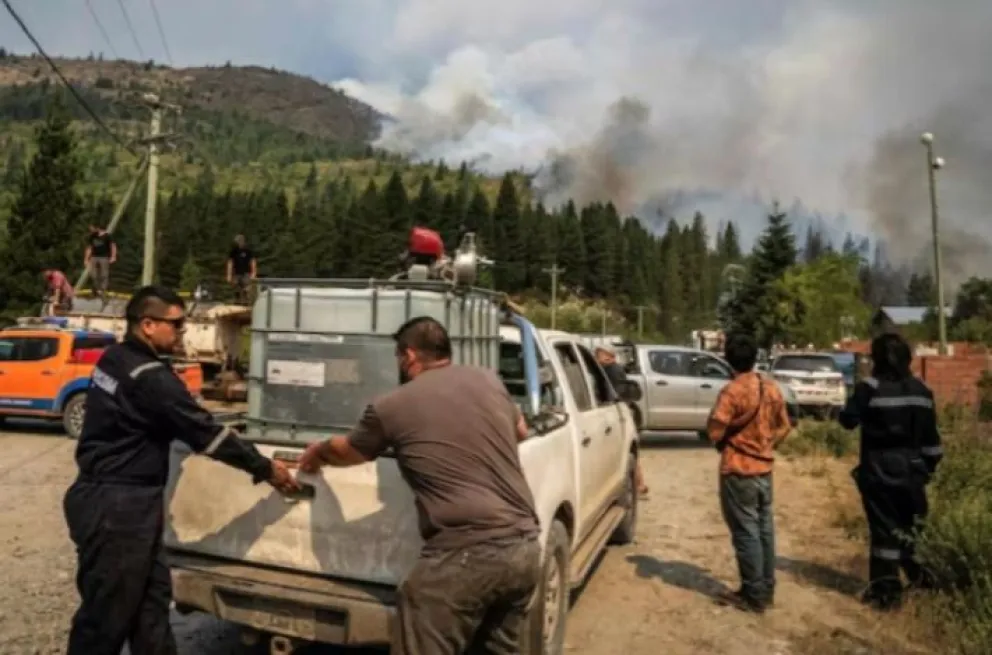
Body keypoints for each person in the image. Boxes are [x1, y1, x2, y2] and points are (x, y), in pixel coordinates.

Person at [62, 285, 300, 655]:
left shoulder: (114, 359)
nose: (182, 331)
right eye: (175, 324)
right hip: (118, 507)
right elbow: (206, 433)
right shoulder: (151, 377)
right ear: (148, 325)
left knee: (150, 607)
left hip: (119, 500)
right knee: (105, 616)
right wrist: (266, 467)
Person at [297, 316, 541, 655]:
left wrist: (317, 452)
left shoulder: (392, 406)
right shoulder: (488, 380)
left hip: (465, 556)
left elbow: (350, 452)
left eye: (398, 356)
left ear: (409, 356)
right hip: (524, 549)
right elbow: (521, 431)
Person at [838, 332, 942, 611]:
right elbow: (932, 440)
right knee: (912, 529)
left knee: (884, 532)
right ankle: (924, 582)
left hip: (878, 471)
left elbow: (847, 421)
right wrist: (926, 469)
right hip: (913, 471)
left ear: (876, 359)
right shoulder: (922, 391)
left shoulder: (868, 388)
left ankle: (886, 594)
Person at [706, 333, 792, 613]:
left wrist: (727, 440)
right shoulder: (770, 388)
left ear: (728, 359)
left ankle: (752, 594)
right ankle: (766, 588)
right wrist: (766, 445)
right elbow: (785, 426)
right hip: (764, 469)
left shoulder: (732, 391)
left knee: (746, 533)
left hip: (738, 469)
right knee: (765, 530)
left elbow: (715, 429)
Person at [595, 345, 649, 497]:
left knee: (626, 450)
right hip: (624, 412)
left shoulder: (611, 370)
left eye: (598, 354)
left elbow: (613, 394)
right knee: (629, 450)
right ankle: (640, 484)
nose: (596, 358)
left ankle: (638, 484)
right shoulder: (614, 369)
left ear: (609, 356)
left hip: (619, 414)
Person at [84, 224, 116, 304]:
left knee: (104, 275)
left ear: (97, 228)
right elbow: (89, 248)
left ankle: (103, 293)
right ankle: (95, 290)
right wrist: (86, 259)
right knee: (93, 275)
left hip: (104, 257)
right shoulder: (92, 236)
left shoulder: (107, 236)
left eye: (92, 228)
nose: (91, 230)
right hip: (94, 257)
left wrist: (113, 256)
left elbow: (113, 246)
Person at [226, 234, 257, 304]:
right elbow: (230, 263)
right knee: (236, 288)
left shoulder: (248, 251)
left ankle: (246, 301)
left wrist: (254, 273)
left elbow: (253, 262)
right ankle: (237, 301)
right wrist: (228, 275)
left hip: (246, 272)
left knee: (246, 288)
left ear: (242, 241)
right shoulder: (234, 251)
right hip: (236, 272)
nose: (238, 243)